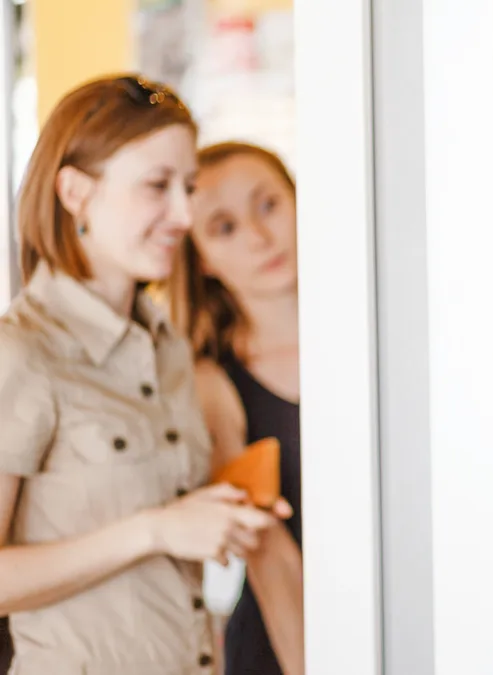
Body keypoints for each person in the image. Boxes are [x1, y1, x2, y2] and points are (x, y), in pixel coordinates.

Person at [0, 75, 288, 674]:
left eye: (188, 188)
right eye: (158, 186)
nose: (183, 214)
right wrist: (156, 530)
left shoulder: (170, 351)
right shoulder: (21, 354)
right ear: (76, 192)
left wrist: (221, 512)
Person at [167, 142, 303, 675]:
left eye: (269, 205)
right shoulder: (211, 384)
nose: (259, 237)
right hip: (290, 644)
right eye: (224, 227)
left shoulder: (389, 333)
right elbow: (269, 557)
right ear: (200, 257)